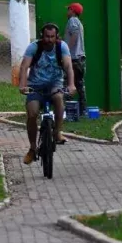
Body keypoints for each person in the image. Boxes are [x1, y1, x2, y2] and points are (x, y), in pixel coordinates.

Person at [18, 23, 77, 165]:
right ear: (42, 36)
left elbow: (68, 66)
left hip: (54, 84)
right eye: (47, 36)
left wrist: (71, 84)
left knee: (58, 98)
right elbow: (24, 66)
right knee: (32, 114)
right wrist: (22, 85)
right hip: (35, 86)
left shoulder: (61, 47)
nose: (49, 40)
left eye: (52, 37)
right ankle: (32, 149)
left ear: (57, 37)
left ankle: (57, 132)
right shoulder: (34, 47)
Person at [64, 2, 87, 116]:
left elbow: (74, 34)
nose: (67, 12)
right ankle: (83, 110)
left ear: (72, 11)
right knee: (79, 85)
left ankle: (67, 109)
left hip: (73, 58)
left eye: (68, 9)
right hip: (81, 58)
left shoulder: (72, 21)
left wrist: (66, 50)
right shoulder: (79, 22)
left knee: (67, 82)